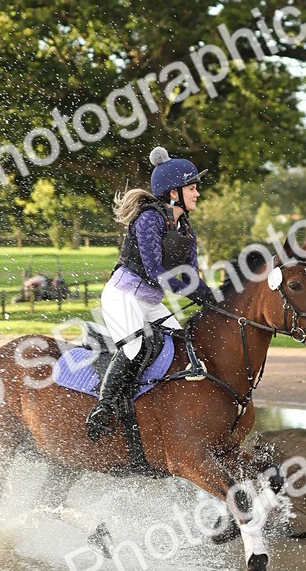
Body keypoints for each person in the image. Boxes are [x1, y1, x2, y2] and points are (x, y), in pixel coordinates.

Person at [86, 147, 216, 440]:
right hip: (123, 296)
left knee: (182, 345)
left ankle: (159, 407)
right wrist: (194, 293)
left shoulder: (185, 227)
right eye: (192, 188)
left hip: (150, 301)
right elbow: (155, 271)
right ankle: (104, 407)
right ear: (174, 193)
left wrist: (215, 297)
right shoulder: (148, 219)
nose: (197, 194)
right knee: (135, 347)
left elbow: (191, 274)